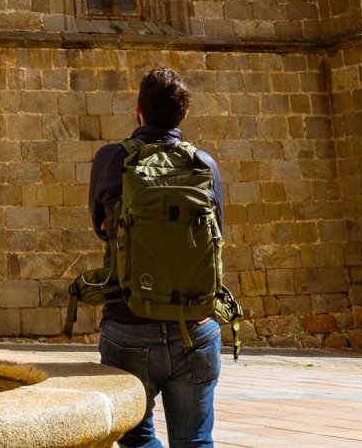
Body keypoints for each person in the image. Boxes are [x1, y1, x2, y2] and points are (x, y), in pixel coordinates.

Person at [89, 66, 223, 448]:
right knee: (196, 441)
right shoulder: (204, 164)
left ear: (138, 109)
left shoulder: (112, 159)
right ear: (184, 116)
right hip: (195, 326)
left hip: (128, 324)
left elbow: (100, 226)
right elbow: (218, 238)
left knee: (136, 438)